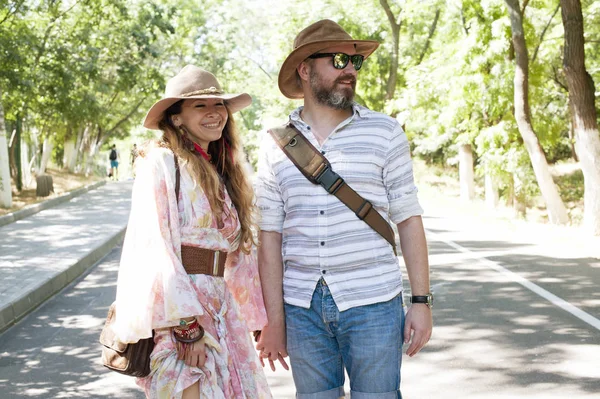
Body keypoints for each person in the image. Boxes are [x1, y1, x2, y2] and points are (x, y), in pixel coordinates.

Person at [255, 19, 433, 398]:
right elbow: (268, 238)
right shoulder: (275, 145)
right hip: (301, 307)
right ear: (305, 69)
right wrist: (273, 319)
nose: (350, 69)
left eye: (354, 61)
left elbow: (408, 217)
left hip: (373, 302)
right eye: (338, 60)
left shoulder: (385, 131)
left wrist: (421, 301)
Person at [112, 65, 272, 398]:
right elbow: (155, 246)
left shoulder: (221, 170)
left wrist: (256, 317)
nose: (215, 113)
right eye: (200, 106)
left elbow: (237, 255)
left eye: (219, 105)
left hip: (222, 309)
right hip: (180, 314)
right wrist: (186, 326)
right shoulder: (161, 162)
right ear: (176, 118)